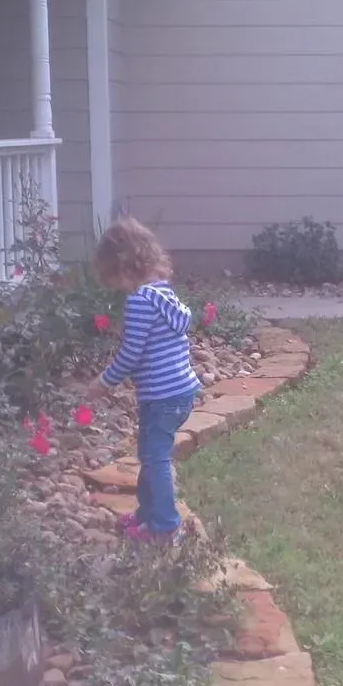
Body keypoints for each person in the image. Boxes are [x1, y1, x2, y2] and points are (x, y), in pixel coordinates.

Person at [94, 217, 200, 543]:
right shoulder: (164, 295)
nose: (118, 288)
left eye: (115, 279)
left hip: (161, 396)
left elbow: (131, 354)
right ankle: (147, 513)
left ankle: (165, 527)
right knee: (150, 453)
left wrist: (104, 382)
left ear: (125, 267)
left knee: (155, 457)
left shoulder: (139, 301)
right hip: (181, 392)